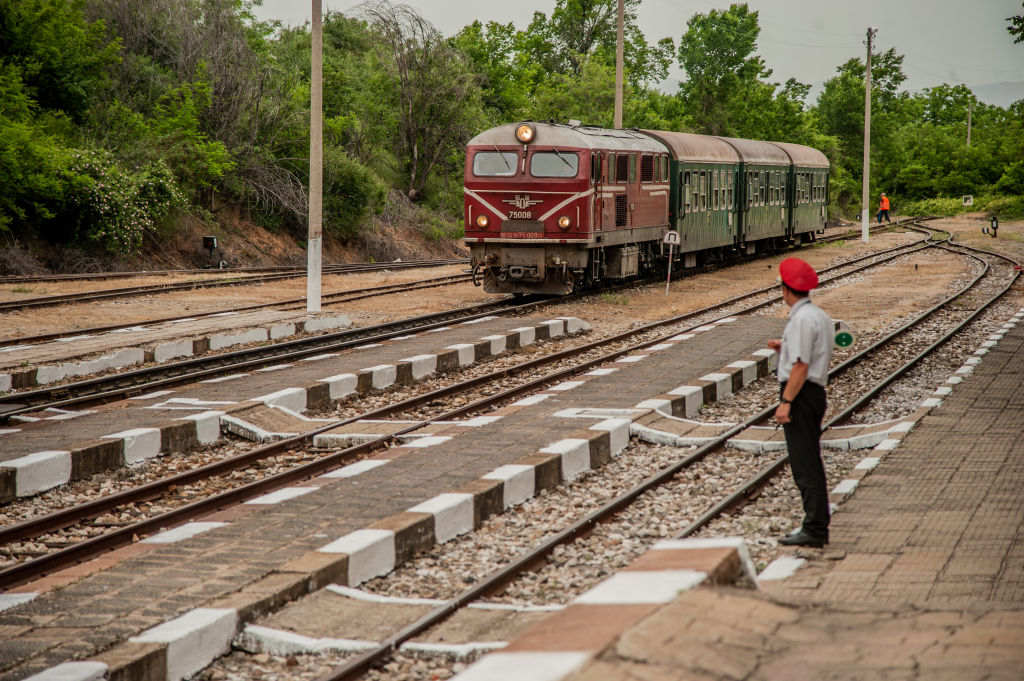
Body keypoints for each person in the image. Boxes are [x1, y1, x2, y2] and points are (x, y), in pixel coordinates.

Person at [766, 257, 833, 548]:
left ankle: (815, 529)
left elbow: (802, 366)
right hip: (812, 393)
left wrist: (785, 402)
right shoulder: (817, 316)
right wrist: (786, 347)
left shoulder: (802, 319)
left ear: (785, 289)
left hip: (802, 394)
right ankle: (816, 524)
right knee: (808, 460)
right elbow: (810, 352)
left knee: (805, 464)